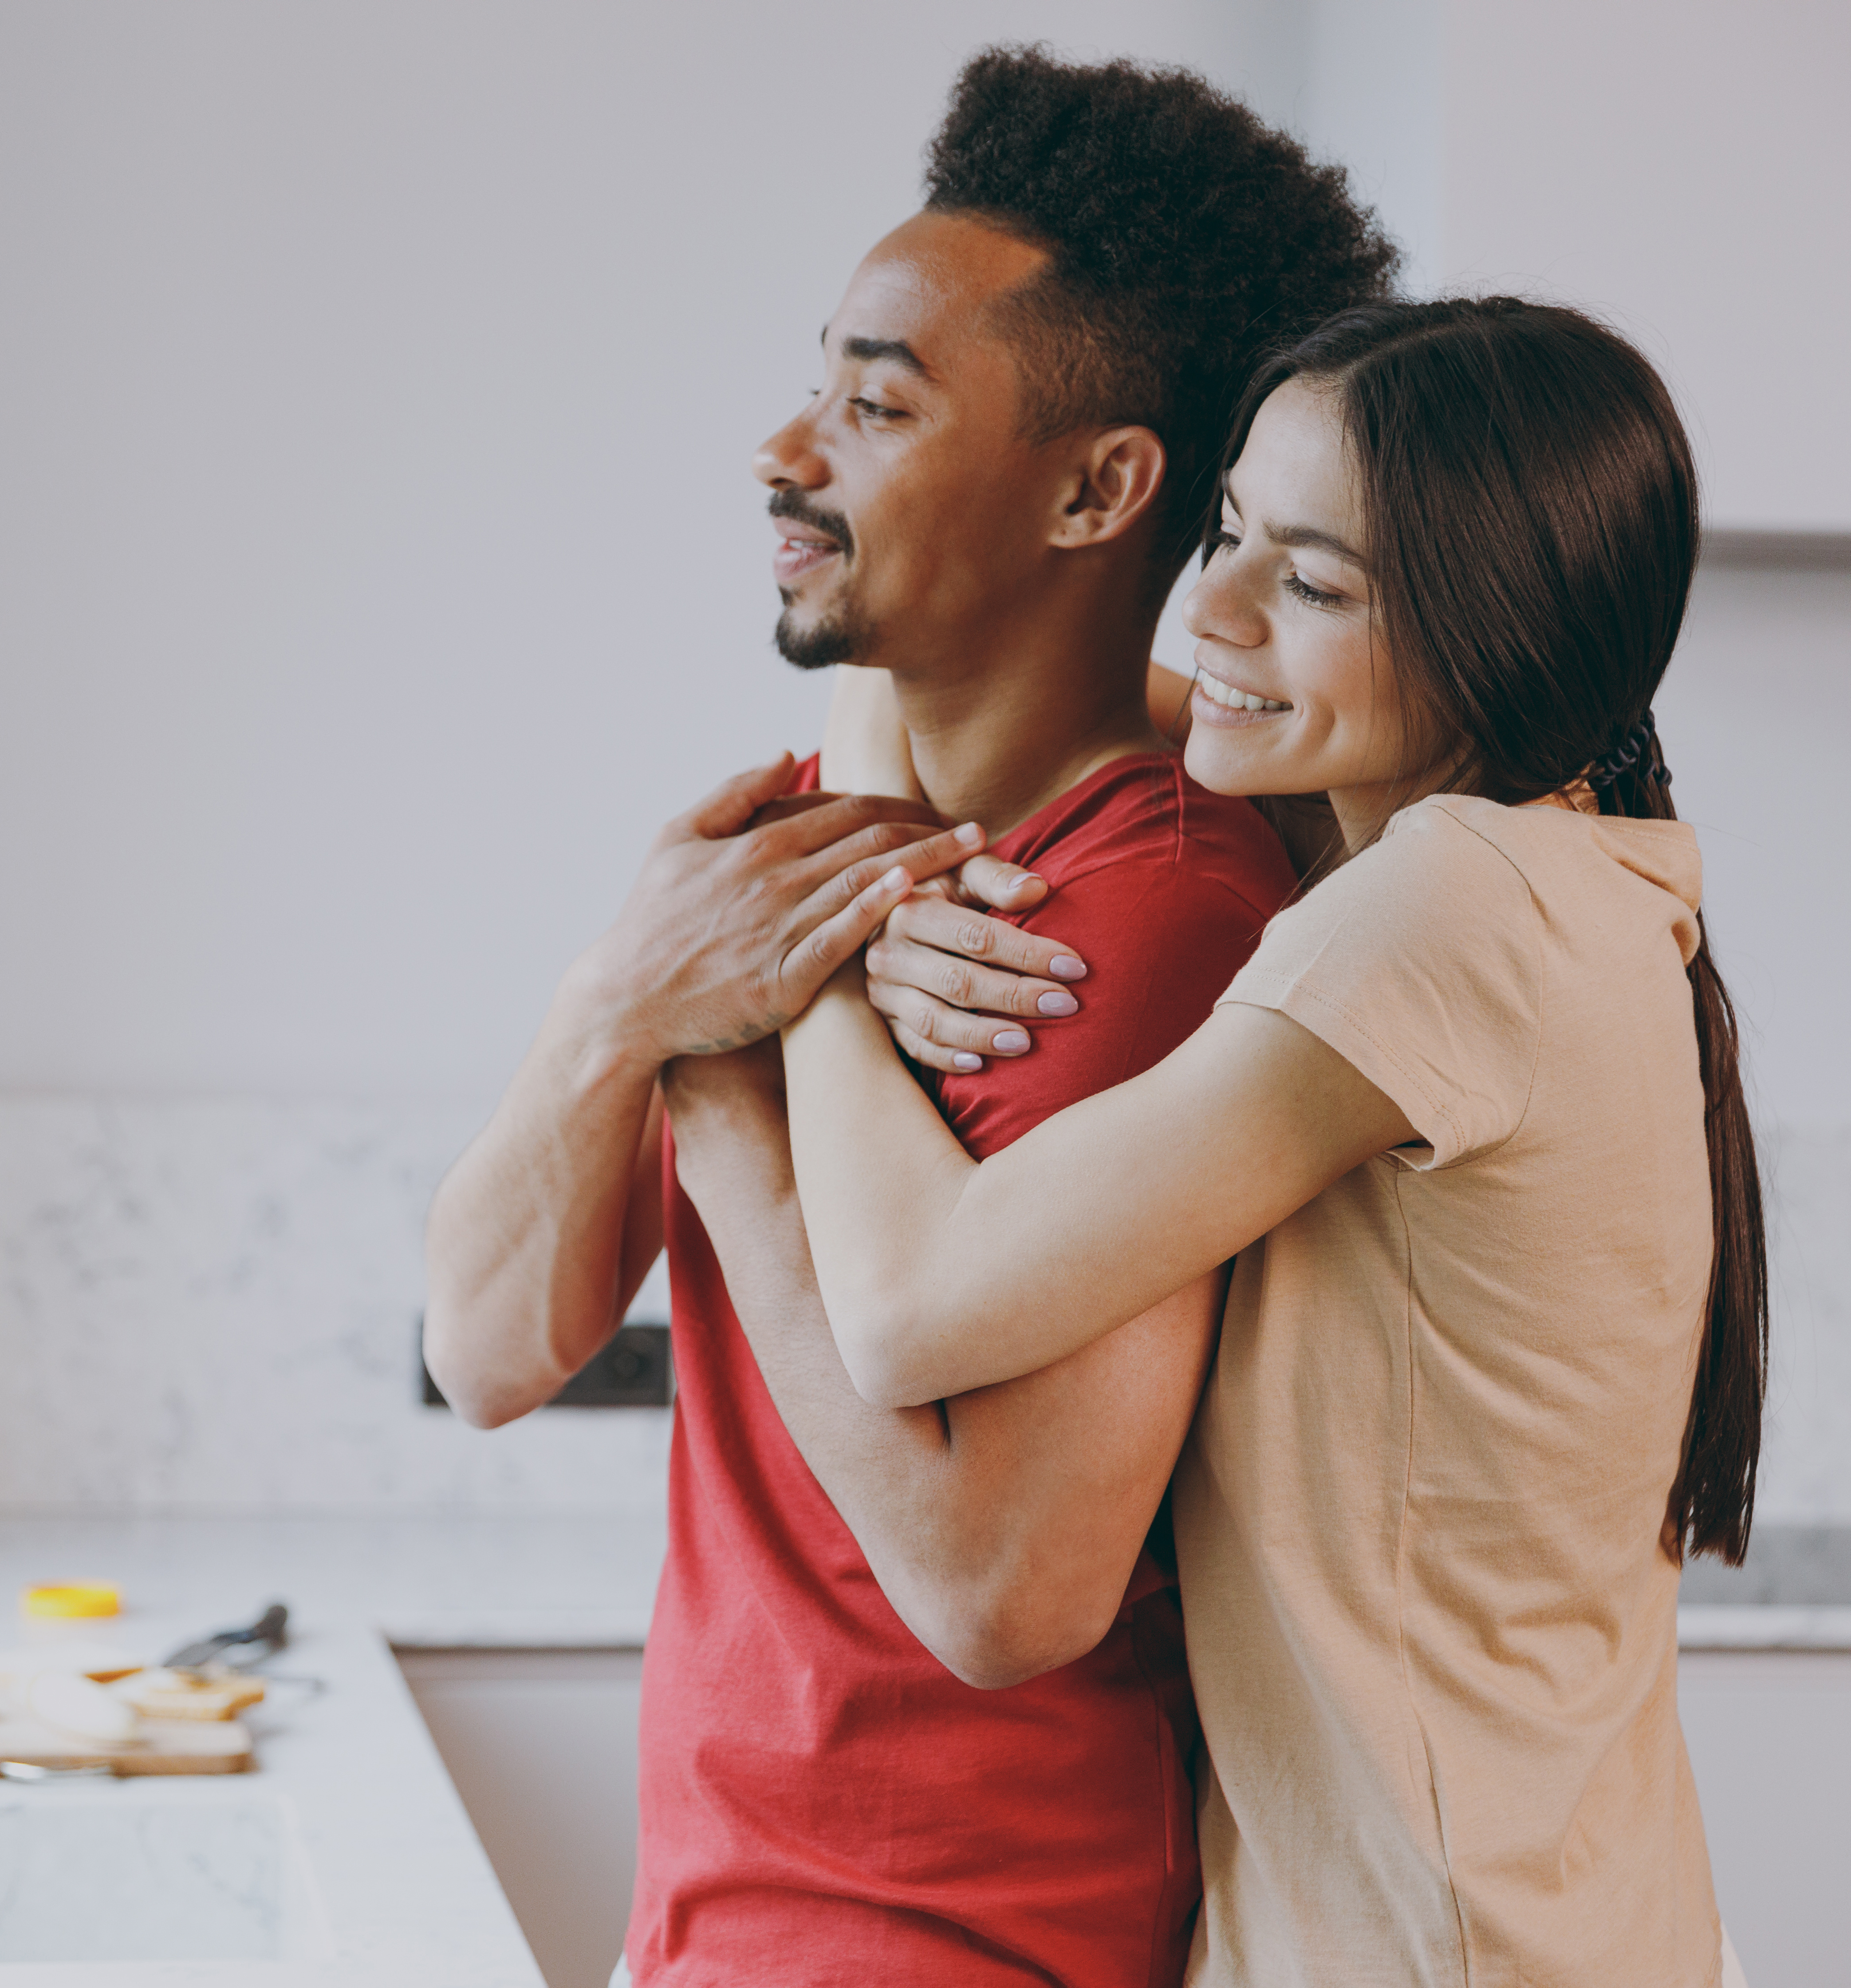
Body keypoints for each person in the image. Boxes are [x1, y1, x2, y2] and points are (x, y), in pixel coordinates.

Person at [422, 46, 1394, 1988]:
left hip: (958, 1941)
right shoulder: (799, 856)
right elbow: (488, 1349)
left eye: (874, 405)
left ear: (1098, 489)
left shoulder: (1155, 912)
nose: (786, 451)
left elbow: (1008, 1584)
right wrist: (621, 997)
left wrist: (722, 1057)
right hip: (720, 1919)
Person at [709, 296, 1762, 1986]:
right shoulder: (1572, 873)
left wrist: (808, 963)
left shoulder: (1442, 913)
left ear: (1496, 633)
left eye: (1315, 585)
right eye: (1225, 530)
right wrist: (883, 757)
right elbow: (1077, 678)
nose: (1213, 607)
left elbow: (910, 1305)